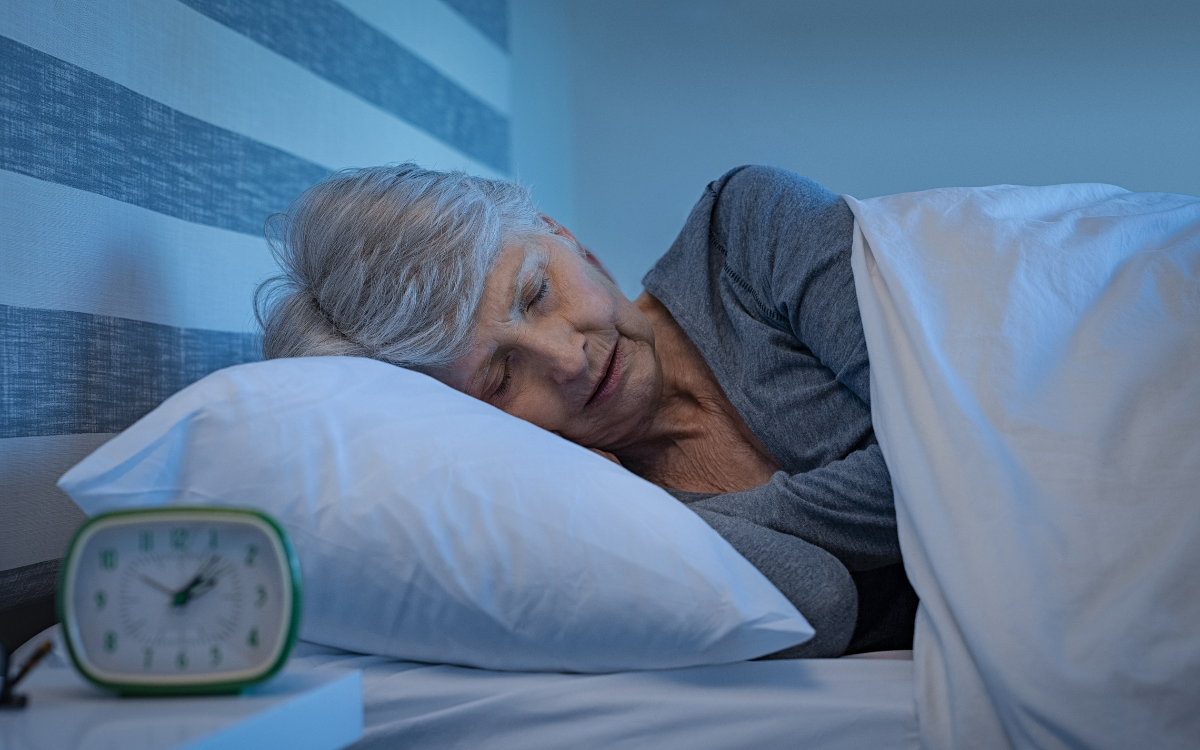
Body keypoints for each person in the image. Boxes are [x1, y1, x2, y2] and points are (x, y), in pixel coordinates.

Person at [255, 163, 918, 658]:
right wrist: (619, 500)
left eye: (537, 292)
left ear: (564, 237)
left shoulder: (745, 234)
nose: (565, 361)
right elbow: (817, 599)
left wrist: (717, 514)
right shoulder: (583, 520)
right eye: (498, 380)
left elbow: (948, 465)